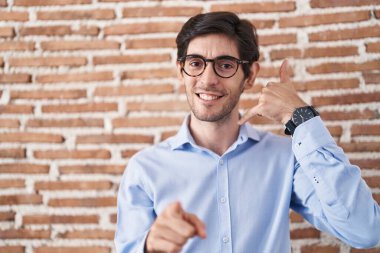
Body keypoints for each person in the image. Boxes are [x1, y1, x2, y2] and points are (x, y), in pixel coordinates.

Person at [114, 12, 380, 253]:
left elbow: (365, 231)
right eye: (196, 63)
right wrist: (148, 247)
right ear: (180, 71)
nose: (207, 80)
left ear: (250, 75)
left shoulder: (286, 158)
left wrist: (301, 119)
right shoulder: (144, 168)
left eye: (225, 65)